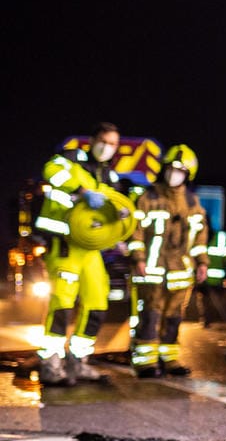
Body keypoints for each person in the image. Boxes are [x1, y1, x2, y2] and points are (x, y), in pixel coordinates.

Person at [34, 122, 128, 386]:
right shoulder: (71, 160)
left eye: (112, 144)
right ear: (92, 140)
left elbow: (108, 212)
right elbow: (50, 171)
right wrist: (80, 191)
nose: (107, 147)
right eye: (104, 141)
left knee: (97, 302)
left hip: (89, 250)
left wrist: (119, 222)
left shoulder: (108, 176)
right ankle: (51, 364)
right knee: (62, 303)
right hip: (64, 244)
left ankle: (78, 362)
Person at [128, 144, 209, 378]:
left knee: (174, 317)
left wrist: (202, 263)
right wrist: (138, 259)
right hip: (151, 271)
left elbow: (200, 236)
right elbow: (135, 232)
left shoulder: (193, 203)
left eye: (181, 170)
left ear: (188, 174)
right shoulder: (148, 197)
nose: (174, 174)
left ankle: (169, 359)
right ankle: (145, 363)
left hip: (180, 272)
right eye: (171, 169)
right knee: (150, 315)